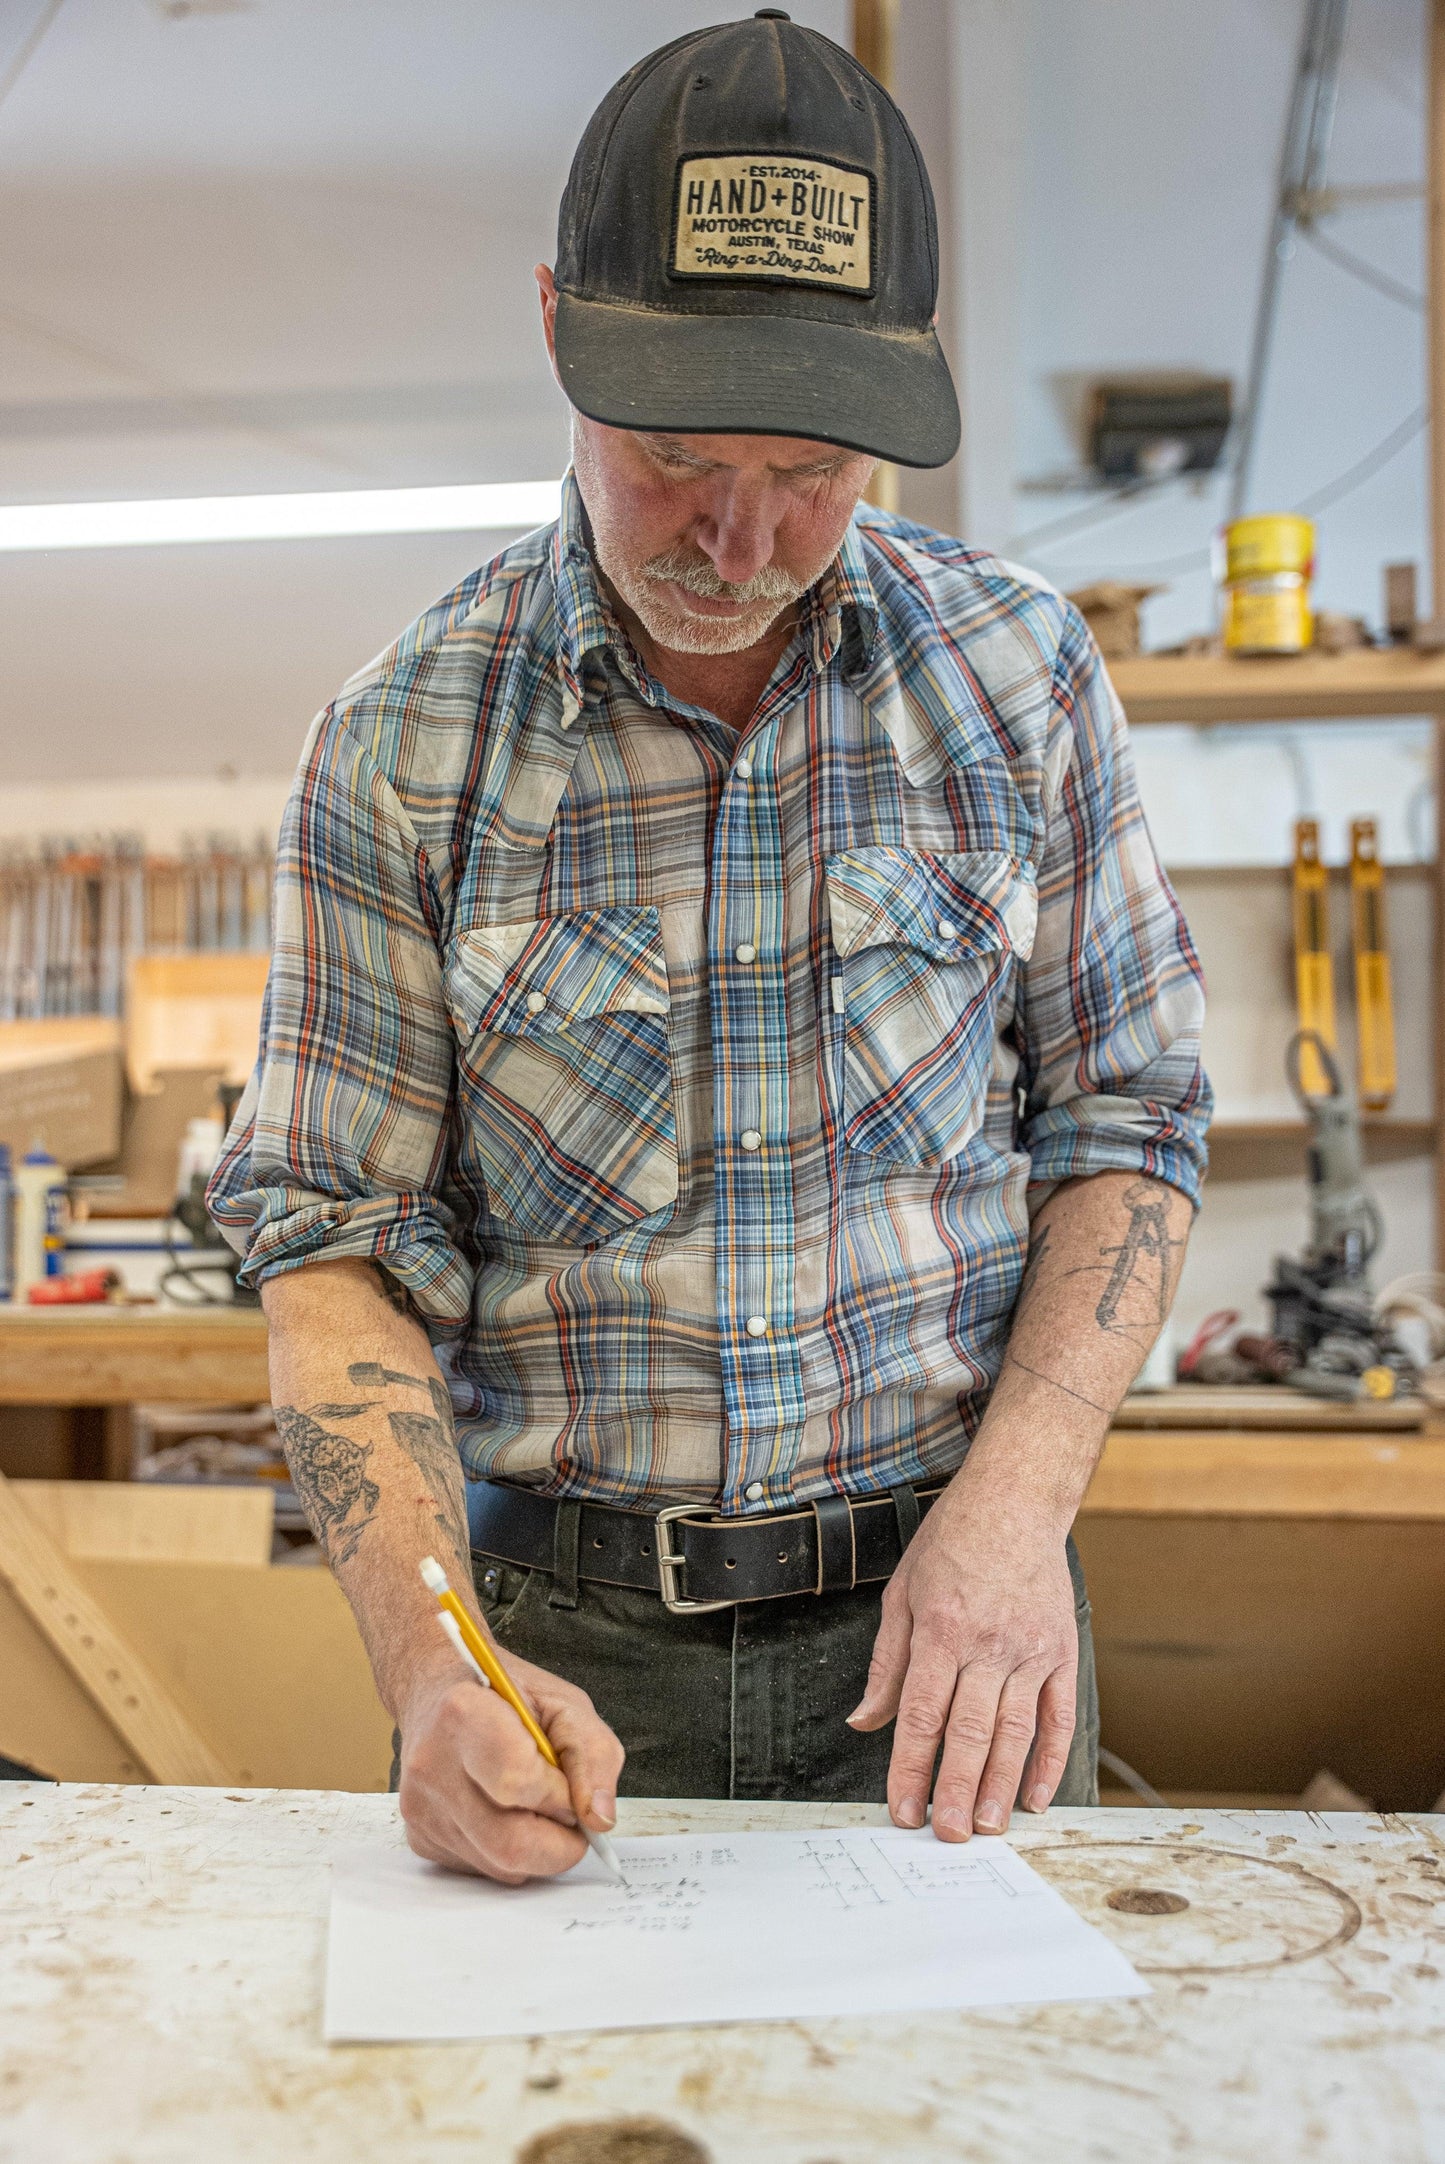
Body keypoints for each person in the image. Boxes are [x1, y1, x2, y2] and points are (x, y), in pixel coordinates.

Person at [210, 10, 1209, 1885]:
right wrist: (435, 1663)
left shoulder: (1018, 676)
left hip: (947, 1620)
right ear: (554, 333)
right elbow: (335, 1246)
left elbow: (1131, 1128)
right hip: (559, 1653)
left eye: (813, 468)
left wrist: (1010, 1521)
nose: (741, 541)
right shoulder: (403, 741)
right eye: (673, 455)